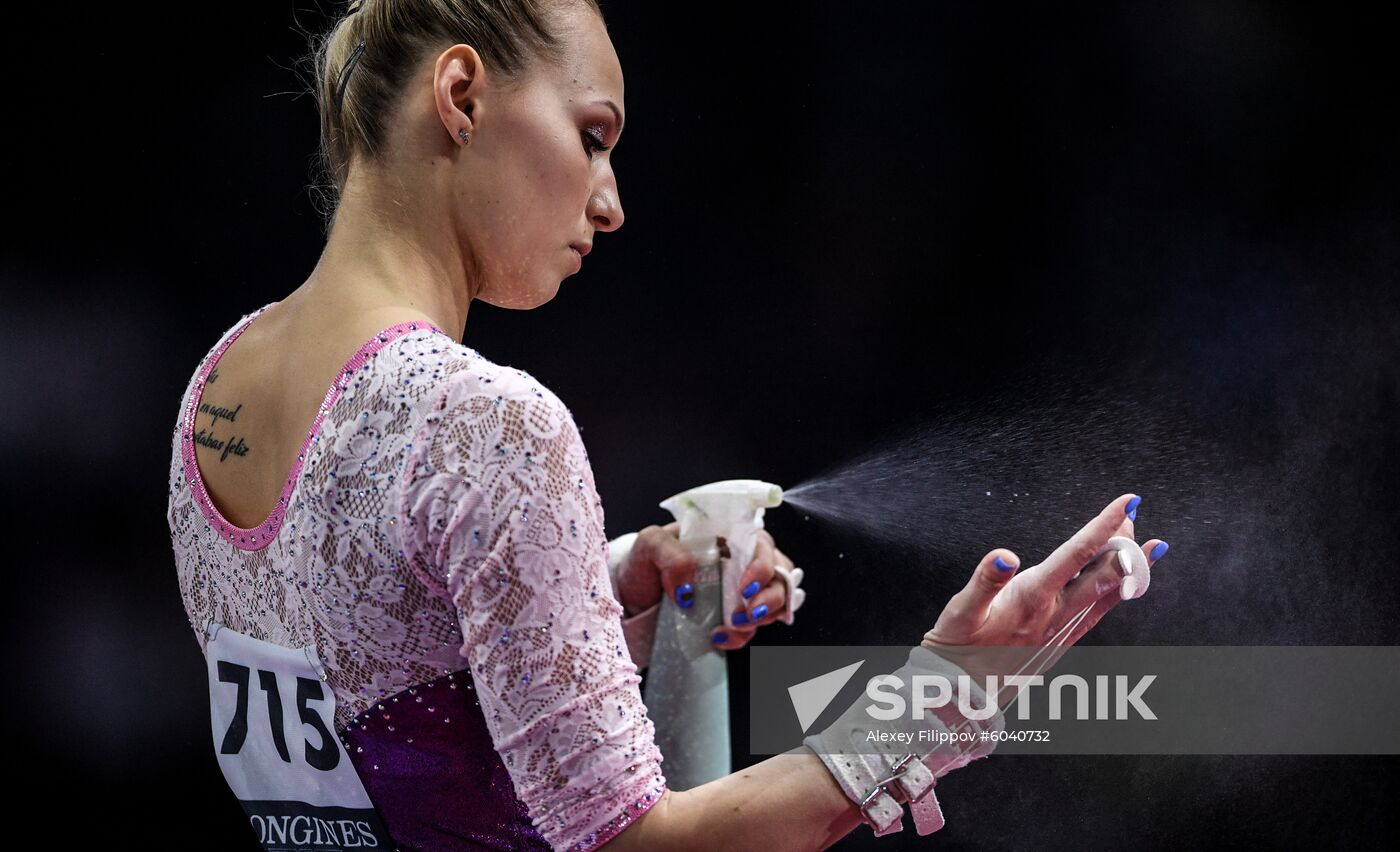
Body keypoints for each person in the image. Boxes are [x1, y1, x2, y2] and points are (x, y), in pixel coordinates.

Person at [167, 1, 1170, 849]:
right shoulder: (486, 424)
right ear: (461, 96)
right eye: (591, 136)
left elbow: (368, 656)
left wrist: (600, 588)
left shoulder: (218, 385)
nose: (608, 205)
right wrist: (931, 702)